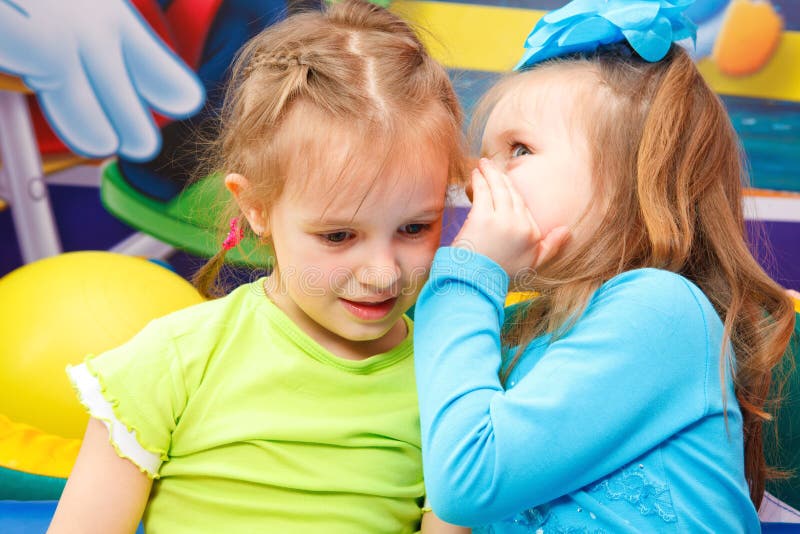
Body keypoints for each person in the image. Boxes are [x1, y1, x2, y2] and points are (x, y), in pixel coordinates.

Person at [47, 1, 470, 532]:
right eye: (338, 235)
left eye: (415, 228)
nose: (383, 273)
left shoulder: (450, 382)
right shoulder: (176, 360)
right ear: (256, 208)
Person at [412, 0, 797, 532]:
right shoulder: (518, 334)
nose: (480, 178)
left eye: (518, 150)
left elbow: (466, 481)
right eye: (484, 155)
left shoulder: (663, 310)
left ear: (629, 185)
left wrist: (467, 272)